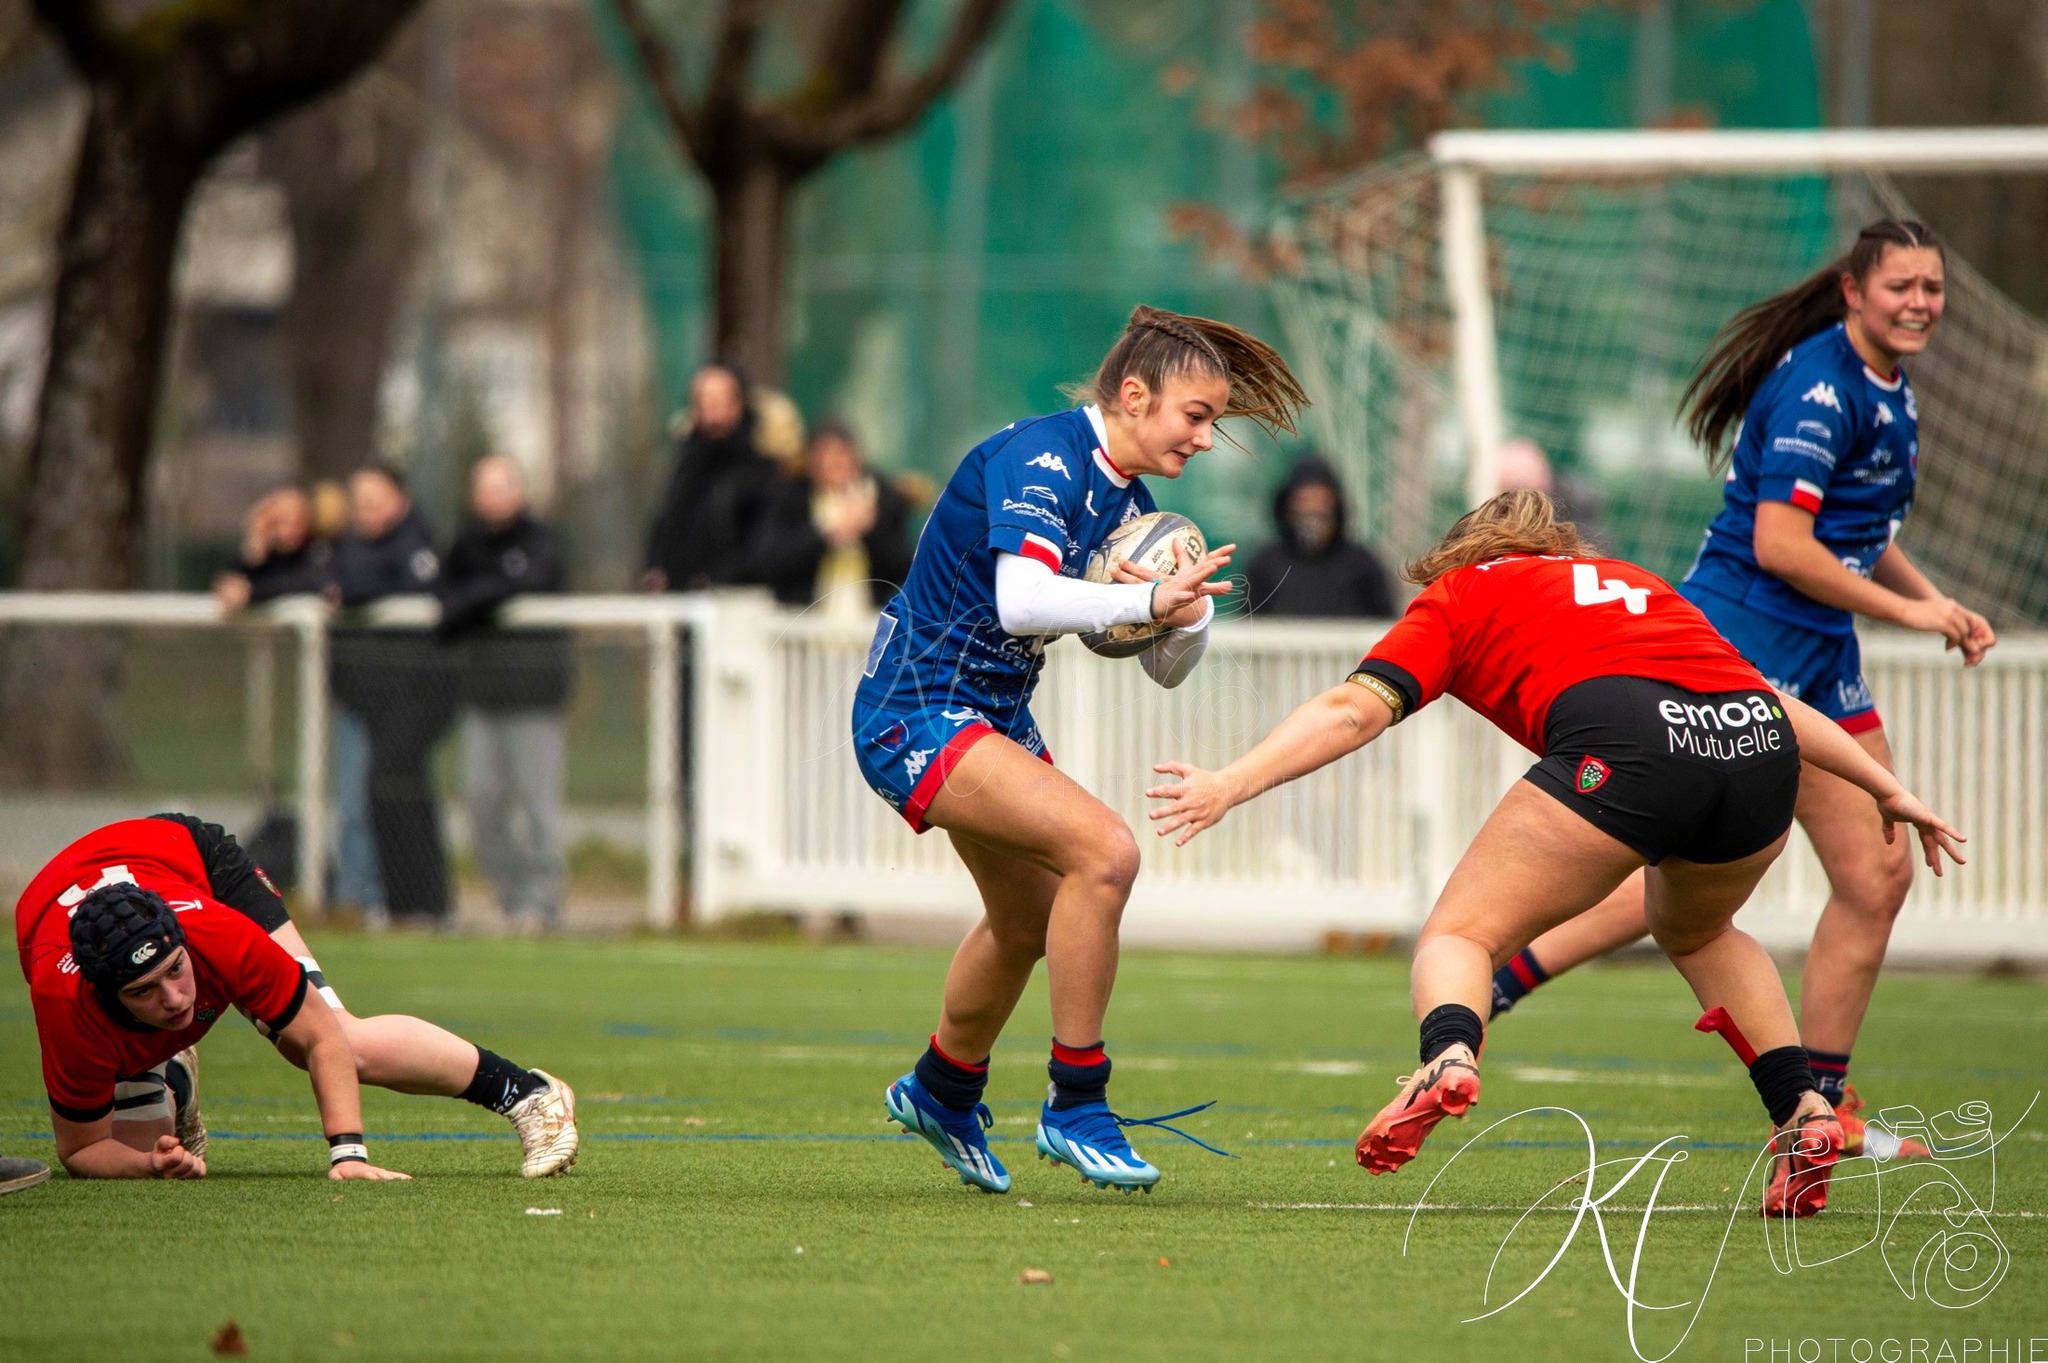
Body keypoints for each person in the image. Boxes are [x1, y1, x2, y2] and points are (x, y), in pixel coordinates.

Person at [1146, 492, 1965, 1217]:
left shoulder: (1462, 592)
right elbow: (1769, 699)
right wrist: (1882, 784)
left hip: (1632, 742)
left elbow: (1352, 710)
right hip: (1758, 753)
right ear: (1558, 546)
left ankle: (1447, 1058)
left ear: (1462, 553)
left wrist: (1232, 781)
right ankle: (1806, 1112)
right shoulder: (1632, 582)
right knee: (1701, 932)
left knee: (1459, 937)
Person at [1487, 221, 1996, 1162]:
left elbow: (1855, 523)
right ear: (1854, 291)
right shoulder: (1817, 386)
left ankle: (1824, 1106)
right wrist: (1911, 616)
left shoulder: (1889, 386)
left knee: (1872, 874)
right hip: (1737, 645)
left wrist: (1934, 598)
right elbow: (1781, 544)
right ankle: (1493, 974)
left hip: (1819, 651)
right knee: (1681, 881)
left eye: (1933, 286)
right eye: (1902, 286)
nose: (1921, 301)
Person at [859, 305, 1307, 1195]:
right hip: (920, 708)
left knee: (1028, 921)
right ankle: (1077, 1101)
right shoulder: (1044, 460)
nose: (1208, 438)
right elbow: (1023, 600)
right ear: (1134, 395)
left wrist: (1189, 609)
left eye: (1214, 421)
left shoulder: (1128, 503)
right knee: (1104, 855)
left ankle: (944, 1088)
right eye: (1197, 415)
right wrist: (1139, 605)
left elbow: (1169, 670)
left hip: (988, 714)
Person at [15, 814, 579, 1180]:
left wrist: (349, 1155)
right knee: (136, 1155)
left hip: (194, 864)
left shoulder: (218, 932)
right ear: (103, 991)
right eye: (144, 990)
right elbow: (81, 1149)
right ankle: (173, 1075)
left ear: (185, 943)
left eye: (176, 971)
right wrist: (146, 1164)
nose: (175, 998)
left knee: (340, 1040)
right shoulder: (65, 1002)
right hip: (89, 907)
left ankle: (528, 1095)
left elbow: (321, 1036)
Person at [438, 457, 572, 932]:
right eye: (487, 487)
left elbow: (530, 580)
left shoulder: (543, 539)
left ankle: (543, 903)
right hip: (483, 697)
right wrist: (487, 597)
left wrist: (477, 599)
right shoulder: (465, 544)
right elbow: (444, 602)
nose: (496, 496)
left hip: (534, 696)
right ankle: (514, 899)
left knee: (537, 806)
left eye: (504, 486)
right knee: (481, 805)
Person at [332, 463, 458, 924]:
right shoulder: (349, 547)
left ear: (400, 499)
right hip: (364, 699)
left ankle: (423, 903)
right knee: (363, 799)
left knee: (398, 792)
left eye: (375, 498)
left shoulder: (419, 543)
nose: (365, 510)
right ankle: (382, 901)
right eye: (358, 500)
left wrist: (350, 591)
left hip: (412, 699)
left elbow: (411, 586)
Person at [747, 419, 915, 617]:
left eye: (842, 455)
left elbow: (901, 568)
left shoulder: (883, 499)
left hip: (866, 624)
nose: (835, 464)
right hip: (802, 625)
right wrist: (824, 532)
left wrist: (869, 528)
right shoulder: (789, 498)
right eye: (825, 456)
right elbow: (770, 562)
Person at [641, 363, 782, 594]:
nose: (712, 414)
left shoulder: (763, 472)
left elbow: (765, 549)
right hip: (681, 603)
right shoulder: (683, 466)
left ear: (739, 404)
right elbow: (664, 526)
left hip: (736, 606)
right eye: (704, 402)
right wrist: (656, 567)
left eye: (720, 402)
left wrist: (720, 578)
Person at [1242, 455, 1395, 618]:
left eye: (1322, 501)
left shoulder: (1362, 565)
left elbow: (1384, 625)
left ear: (1336, 505)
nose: (1312, 509)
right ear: (1287, 506)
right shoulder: (1265, 565)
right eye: (1303, 500)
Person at [214, 486, 334, 612]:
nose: (287, 531)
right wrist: (255, 547)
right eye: (280, 522)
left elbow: (306, 582)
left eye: (295, 522)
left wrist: (250, 592)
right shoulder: (267, 554)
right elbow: (234, 582)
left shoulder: (319, 549)